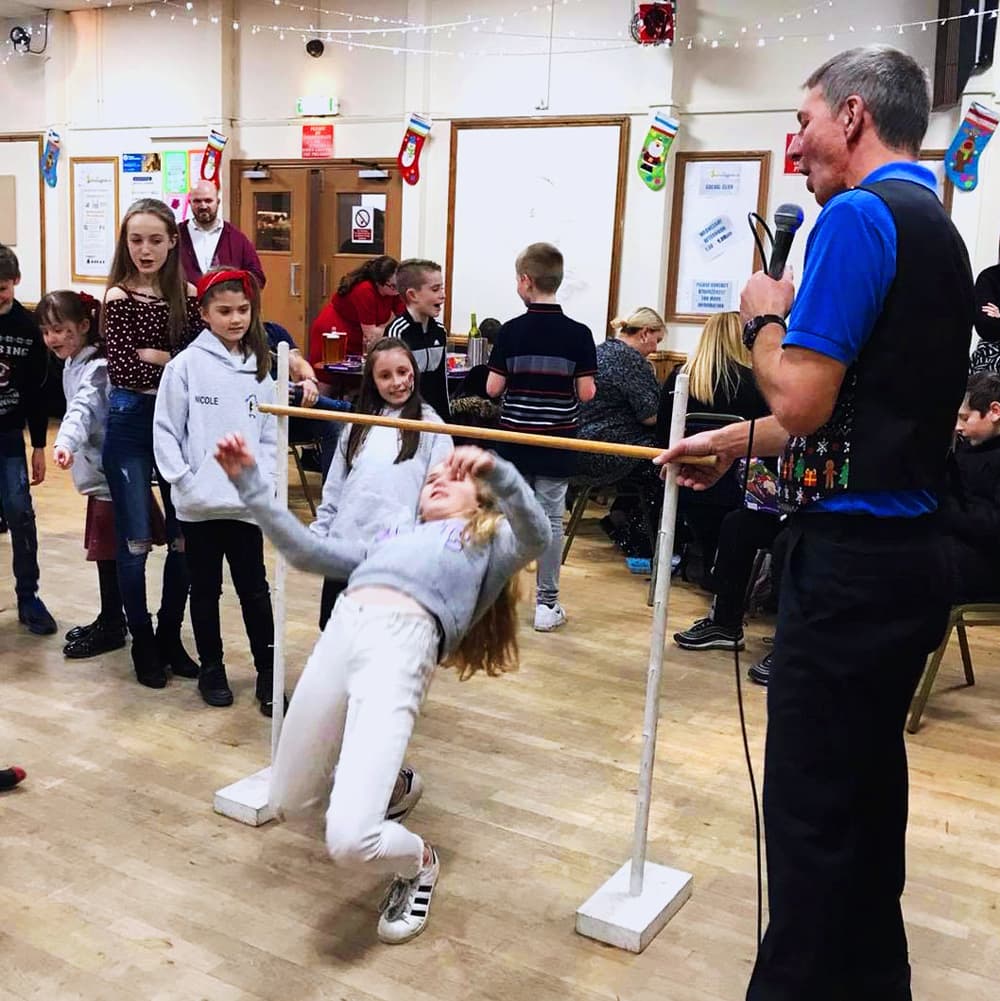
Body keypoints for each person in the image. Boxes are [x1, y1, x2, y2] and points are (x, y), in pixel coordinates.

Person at [657, 46, 974, 1001]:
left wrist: (760, 314)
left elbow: (799, 394)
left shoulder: (856, 219)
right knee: (866, 801)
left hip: (852, 568)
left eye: (802, 121)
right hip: (912, 558)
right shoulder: (938, 227)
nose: (793, 142)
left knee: (806, 815)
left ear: (851, 115)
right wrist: (735, 440)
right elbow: (848, 410)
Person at [215, 435, 549, 944]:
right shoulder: (392, 536)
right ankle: (393, 785)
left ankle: (420, 862)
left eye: (453, 477)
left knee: (350, 840)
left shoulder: (489, 540)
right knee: (289, 797)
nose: (437, 478)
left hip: (403, 645)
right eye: (431, 478)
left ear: (480, 499)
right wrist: (250, 482)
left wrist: (496, 470)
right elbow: (307, 551)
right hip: (343, 629)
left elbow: (538, 533)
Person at [154, 269, 278, 714]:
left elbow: (268, 431)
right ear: (204, 314)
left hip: (244, 505)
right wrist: (185, 480)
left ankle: (269, 671)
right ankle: (212, 668)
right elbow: (166, 430)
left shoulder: (261, 365)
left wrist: (263, 483)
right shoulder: (184, 365)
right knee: (204, 591)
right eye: (224, 311)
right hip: (198, 506)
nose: (235, 319)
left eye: (243, 310)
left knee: (255, 591)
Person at [102, 198, 201, 688]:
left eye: (155, 240)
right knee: (137, 541)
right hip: (131, 424)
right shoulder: (118, 298)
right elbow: (125, 369)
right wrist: (171, 361)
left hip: (180, 427)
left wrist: (162, 358)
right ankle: (141, 638)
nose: (145, 249)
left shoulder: (187, 295)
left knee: (183, 540)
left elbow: (195, 364)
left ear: (172, 242)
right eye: (136, 239)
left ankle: (169, 634)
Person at [487, 242, 597, 631]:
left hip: (515, 439)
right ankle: (546, 606)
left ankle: (494, 598)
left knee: (506, 515)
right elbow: (586, 394)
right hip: (557, 441)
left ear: (525, 281)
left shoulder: (511, 332)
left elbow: (493, 389)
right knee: (551, 518)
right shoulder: (580, 334)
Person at [311, 337, 452, 630]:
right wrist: (322, 534)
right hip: (347, 547)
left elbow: (438, 499)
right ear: (372, 381)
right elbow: (335, 487)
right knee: (338, 633)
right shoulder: (356, 426)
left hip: (396, 557)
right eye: (385, 376)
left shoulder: (432, 429)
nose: (397, 382)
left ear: (413, 372)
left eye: (403, 372)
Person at [39, 289, 132, 659]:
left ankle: (115, 623)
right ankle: (111, 617)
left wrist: (64, 442)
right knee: (105, 555)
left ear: (83, 325)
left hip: (110, 476)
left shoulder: (97, 368)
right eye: (47, 331)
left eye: (61, 329)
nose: (53, 339)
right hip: (97, 477)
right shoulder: (73, 362)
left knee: (111, 555)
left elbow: (82, 409)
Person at [662, 311, 771, 588]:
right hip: (741, 487)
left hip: (685, 482)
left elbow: (663, 436)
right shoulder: (756, 384)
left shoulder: (679, 379)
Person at [576, 307, 663, 570]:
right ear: (645, 333)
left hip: (580, 446)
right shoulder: (631, 361)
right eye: (657, 340)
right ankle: (638, 538)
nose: (656, 349)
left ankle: (620, 517)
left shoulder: (600, 350)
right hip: (610, 451)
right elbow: (651, 416)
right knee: (663, 467)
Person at [0, 244, 57, 635]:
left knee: (20, 513)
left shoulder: (28, 327)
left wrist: (39, 445)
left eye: (2, 287)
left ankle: (28, 596)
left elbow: (39, 391)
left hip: (8, 436)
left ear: (16, 282)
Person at [941, 372, 1000, 605]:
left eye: (965, 418)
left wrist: (946, 509)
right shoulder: (966, 451)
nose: (957, 427)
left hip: (987, 568)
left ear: (995, 411)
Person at [264, 320, 343, 480]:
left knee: (333, 427)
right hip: (258, 414)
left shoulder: (273, 331)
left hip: (286, 413)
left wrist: (310, 382)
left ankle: (331, 498)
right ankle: (348, 409)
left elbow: (298, 363)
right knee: (290, 392)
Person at [385, 260, 450, 420]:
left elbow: (442, 384)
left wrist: (446, 424)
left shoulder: (440, 331)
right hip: (406, 420)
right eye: (435, 289)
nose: (443, 295)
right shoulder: (397, 332)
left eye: (442, 288)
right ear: (412, 295)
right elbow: (392, 387)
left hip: (434, 419)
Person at [308, 255, 402, 363]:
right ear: (378, 283)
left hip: (361, 339)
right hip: (336, 334)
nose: (398, 290)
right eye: (394, 286)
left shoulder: (394, 292)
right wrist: (388, 325)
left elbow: (403, 318)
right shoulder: (364, 290)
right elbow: (371, 335)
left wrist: (384, 327)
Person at [178, 180, 266, 289]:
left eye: (208, 200)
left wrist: (233, 291)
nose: (203, 206)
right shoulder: (176, 236)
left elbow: (257, 277)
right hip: (183, 305)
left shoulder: (237, 239)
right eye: (197, 201)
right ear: (189, 202)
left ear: (218, 202)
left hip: (224, 305)